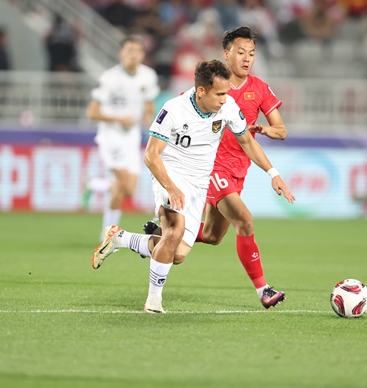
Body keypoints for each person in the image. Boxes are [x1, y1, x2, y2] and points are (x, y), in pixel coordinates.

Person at [92, 59, 295, 314]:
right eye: (219, 94)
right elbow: (150, 155)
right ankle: (153, 301)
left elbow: (247, 142)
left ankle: (122, 238)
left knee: (175, 254)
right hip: (170, 174)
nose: (225, 99)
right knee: (174, 232)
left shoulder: (228, 107)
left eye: (226, 93)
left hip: (199, 183)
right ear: (201, 91)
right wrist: (171, 187)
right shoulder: (174, 110)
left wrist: (273, 173)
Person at [147, 26, 292, 309]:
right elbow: (182, 117)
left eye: (251, 53)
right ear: (227, 55)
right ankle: (263, 289)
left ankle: (152, 235)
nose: (247, 59)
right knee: (245, 221)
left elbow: (279, 131)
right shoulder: (203, 91)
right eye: (240, 52)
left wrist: (271, 162)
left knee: (212, 236)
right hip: (211, 169)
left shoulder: (258, 90)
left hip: (238, 170)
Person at [85, 36, 159, 239]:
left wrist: (147, 116)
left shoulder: (148, 76)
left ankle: (94, 187)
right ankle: (108, 234)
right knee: (123, 184)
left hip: (131, 138)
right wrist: (119, 119)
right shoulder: (109, 78)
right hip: (111, 137)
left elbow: (149, 102)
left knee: (127, 190)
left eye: (137, 50)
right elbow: (92, 112)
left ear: (143, 54)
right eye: (129, 50)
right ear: (121, 53)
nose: (133, 54)